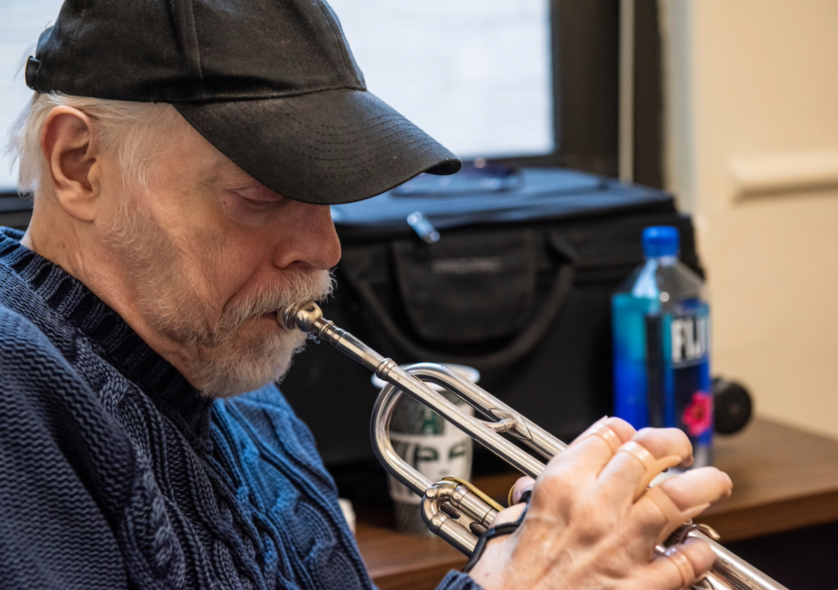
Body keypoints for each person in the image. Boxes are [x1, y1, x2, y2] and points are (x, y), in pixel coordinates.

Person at [0, 1, 732, 589]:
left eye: (328, 196)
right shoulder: (17, 401)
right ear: (79, 163)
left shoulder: (234, 379)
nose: (324, 251)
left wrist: (543, 552)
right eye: (260, 196)